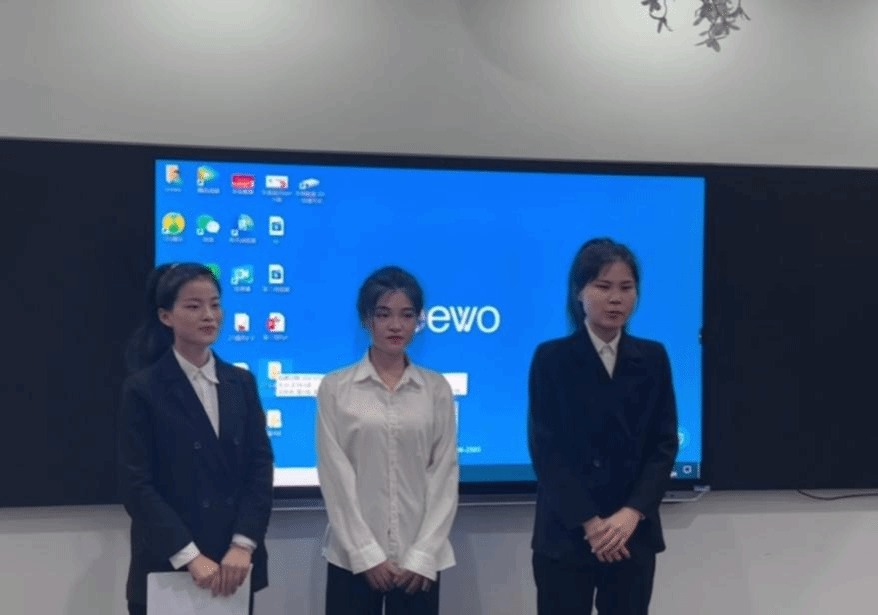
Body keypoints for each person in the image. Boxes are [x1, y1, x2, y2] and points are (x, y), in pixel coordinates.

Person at [528, 238, 679, 615]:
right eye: (603, 286)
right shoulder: (551, 359)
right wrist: (591, 523)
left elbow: (663, 445)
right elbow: (546, 449)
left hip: (632, 535)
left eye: (626, 288)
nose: (615, 299)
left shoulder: (653, 357)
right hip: (567, 534)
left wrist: (632, 513)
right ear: (579, 292)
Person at [118, 263, 274, 615]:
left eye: (215, 304)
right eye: (194, 306)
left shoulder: (240, 383)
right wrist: (189, 555)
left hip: (233, 565)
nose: (209, 315)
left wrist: (243, 544)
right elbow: (136, 485)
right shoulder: (144, 389)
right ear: (165, 316)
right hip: (168, 563)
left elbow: (259, 467)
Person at [316, 265, 458, 615]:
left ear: (418, 320)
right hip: (351, 560)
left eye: (407, 315)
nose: (396, 325)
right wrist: (365, 554)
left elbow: (444, 475)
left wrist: (423, 554)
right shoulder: (336, 388)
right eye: (384, 314)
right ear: (366, 319)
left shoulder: (436, 389)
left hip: (418, 563)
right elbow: (335, 476)